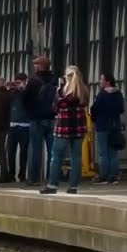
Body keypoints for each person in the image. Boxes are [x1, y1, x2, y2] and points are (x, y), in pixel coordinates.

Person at [41, 65, 89, 195]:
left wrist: (60, 88)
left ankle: (52, 184)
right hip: (79, 127)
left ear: (67, 77)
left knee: (56, 157)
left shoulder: (62, 91)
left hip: (63, 127)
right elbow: (85, 105)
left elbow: (55, 108)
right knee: (76, 157)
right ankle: (73, 186)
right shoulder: (84, 90)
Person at [22, 56, 58, 185]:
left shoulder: (33, 81)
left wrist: (30, 112)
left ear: (40, 66)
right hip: (52, 118)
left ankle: (34, 178)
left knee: (35, 149)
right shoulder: (54, 80)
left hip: (37, 118)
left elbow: (25, 99)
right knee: (52, 151)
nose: (34, 66)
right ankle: (51, 177)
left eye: (36, 64)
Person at [91, 73, 126, 184]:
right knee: (113, 152)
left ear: (107, 81)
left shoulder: (101, 95)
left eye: (101, 79)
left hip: (102, 126)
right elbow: (121, 109)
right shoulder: (118, 94)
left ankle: (104, 176)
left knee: (103, 152)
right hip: (115, 126)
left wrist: (94, 119)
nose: (100, 81)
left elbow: (94, 109)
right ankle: (113, 176)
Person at [7, 73, 31, 183]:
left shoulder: (28, 91)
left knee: (24, 151)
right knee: (10, 151)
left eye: (21, 81)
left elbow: (29, 101)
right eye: (17, 82)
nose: (19, 84)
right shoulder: (13, 92)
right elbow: (7, 102)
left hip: (25, 125)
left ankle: (22, 174)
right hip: (13, 125)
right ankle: (11, 174)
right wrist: (11, 88)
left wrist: (24, 89)